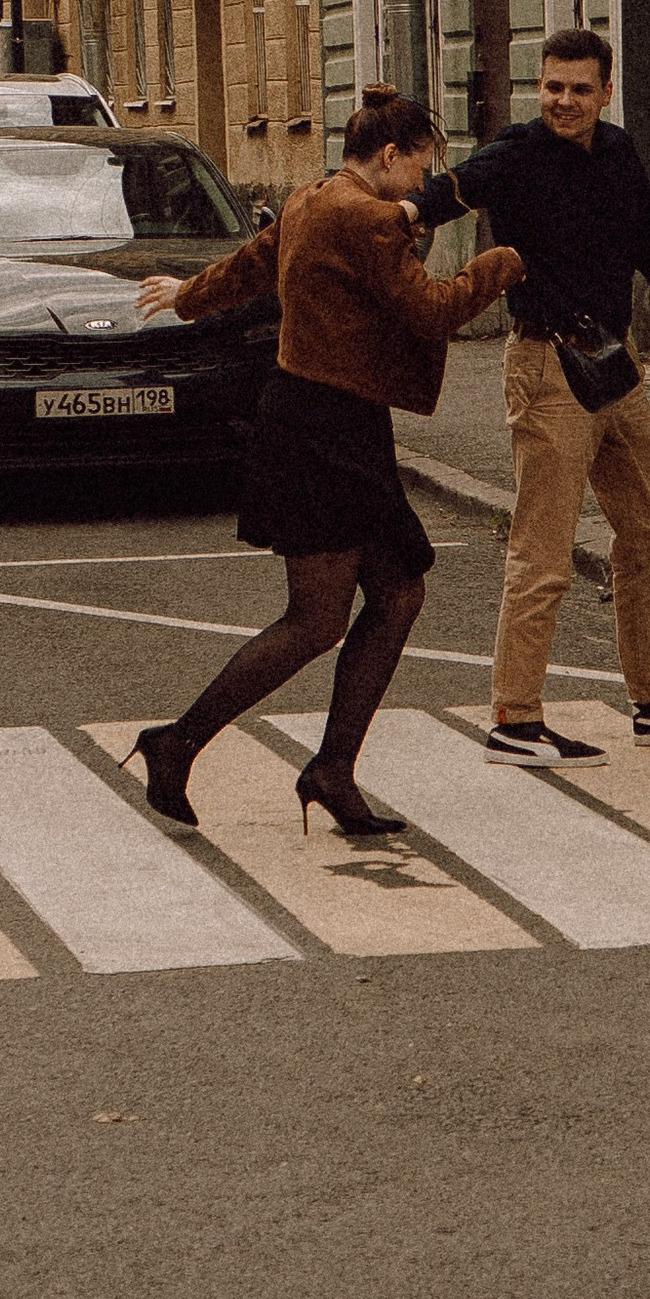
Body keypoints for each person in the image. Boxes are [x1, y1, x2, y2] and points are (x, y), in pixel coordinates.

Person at [126, 89, 521, 838]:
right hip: (321, 430)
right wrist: (499, 265)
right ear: (390, 156)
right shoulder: (367, 219)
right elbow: (434, 310)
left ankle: (333, 768)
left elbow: (251, 265)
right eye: (420, 170)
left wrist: (186, 296)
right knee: (314, 620)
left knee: (400, 592)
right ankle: (176, 743)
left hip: (329, 421)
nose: (419, 192)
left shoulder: (310, 199)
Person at [409, 27, 650, 767]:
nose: (564, 101)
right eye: (553, 86)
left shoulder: (619, 152)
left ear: (606, 91)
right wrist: (383, 217)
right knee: (544, 548)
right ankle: (514, 715)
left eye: (580, 89)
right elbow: (433, 200)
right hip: (545, 365)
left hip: (614, 363)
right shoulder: (515, 153)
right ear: (542, 87)